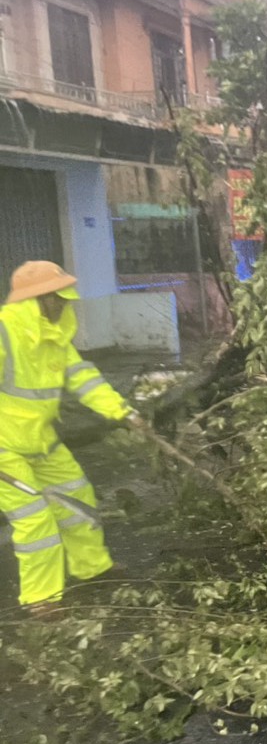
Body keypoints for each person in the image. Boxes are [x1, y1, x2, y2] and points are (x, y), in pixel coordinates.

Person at [0, 261, 142, 617]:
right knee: (36, 521)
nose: (64, 305)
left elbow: (84, 379)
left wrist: (122, 412)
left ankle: (93, 568)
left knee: (78, 500)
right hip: (5, 450)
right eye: (58, 298)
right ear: (37, 299)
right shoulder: (4, 332)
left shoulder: (55, 336)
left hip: (42, 443)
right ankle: (41, 599)